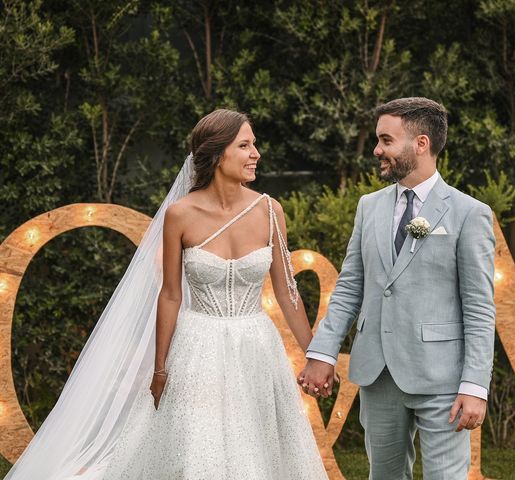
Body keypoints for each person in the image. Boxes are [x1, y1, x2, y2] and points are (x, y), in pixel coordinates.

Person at [6, 109, 328, 480]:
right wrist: (160, 368)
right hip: (198, 346)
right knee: (197, 443)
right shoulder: (180, 214)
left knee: (257, 441)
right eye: (244, 145)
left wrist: (315, 357)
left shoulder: (270, 210)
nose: (256, 153)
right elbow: (171, 295)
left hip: (256, 346)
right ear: (216, 154)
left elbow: (288, 293)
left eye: (254, 144)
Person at [298, 97, 496, 480]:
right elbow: (350, 287)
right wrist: (322, 352)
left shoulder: (469, 213)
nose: (377, 150)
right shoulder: (368, 207)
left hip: (443, 377)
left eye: (386, 140)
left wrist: (475, 385)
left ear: (420, 144)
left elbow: (479, 308)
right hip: (378, 372)